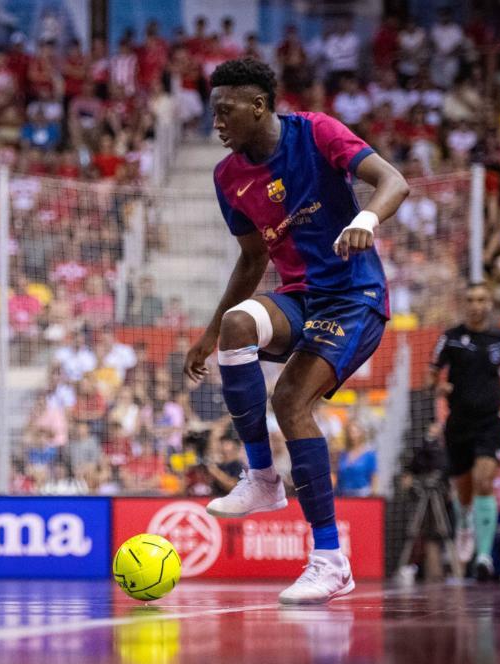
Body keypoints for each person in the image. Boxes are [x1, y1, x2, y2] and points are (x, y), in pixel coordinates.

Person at [185, 58, 410, 604]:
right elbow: (250, 261)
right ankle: (262, 478)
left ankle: (331, 561)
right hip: (299, 298)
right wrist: (209, 332)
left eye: (224, 110)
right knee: (239, 327)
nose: (215, 122)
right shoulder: (228, 177)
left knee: (290, 403)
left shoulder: (316, 132)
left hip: (355, 297)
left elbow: (393, 182)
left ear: (259, 105)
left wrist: (365, 219)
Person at [427, 284, 500, 581]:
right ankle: (465, 524)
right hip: (458, 423)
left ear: (489, 303)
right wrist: (438, 386)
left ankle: (484, 557)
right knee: (464, 490)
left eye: (482, 299)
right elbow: (431, 373)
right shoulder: (451, 337)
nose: (476, 304)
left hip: (490, 421)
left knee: (485, 481)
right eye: (470, 299)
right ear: (464, 303)